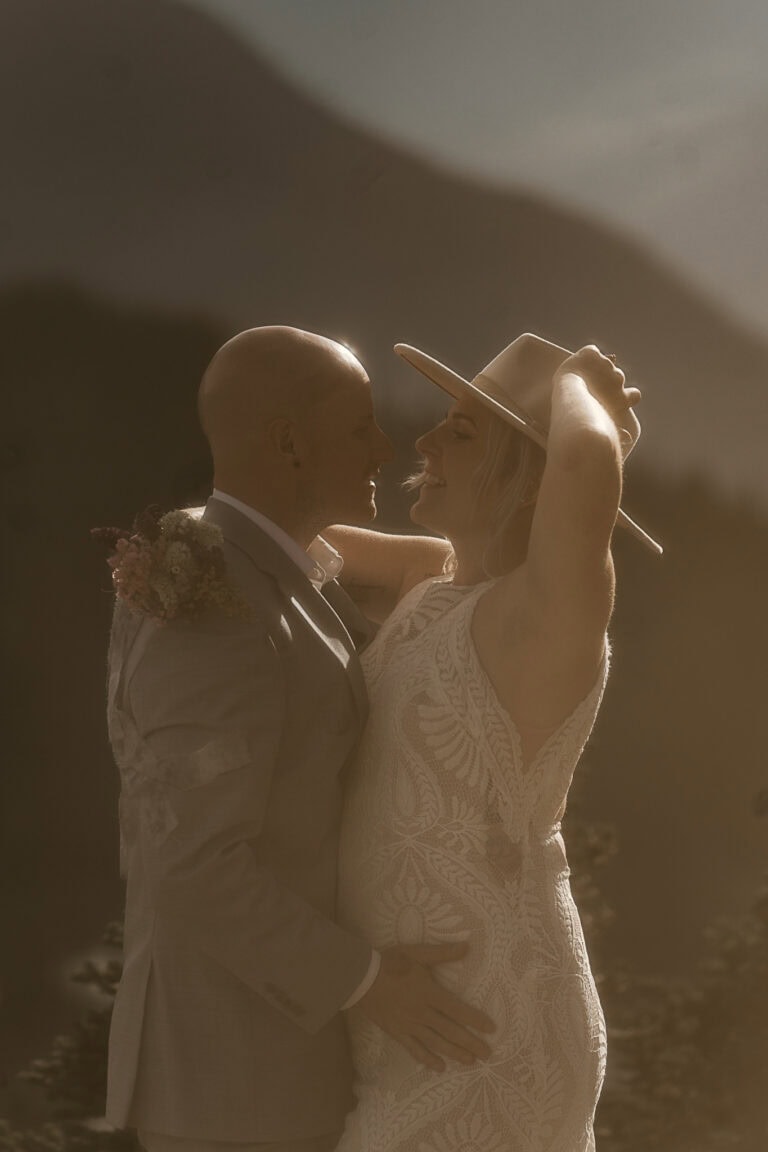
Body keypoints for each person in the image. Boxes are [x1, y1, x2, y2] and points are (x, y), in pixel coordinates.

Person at [102, 326, 494, 1152]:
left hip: (258, 1067)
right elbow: (194, 866)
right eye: (359, 427)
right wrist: (370, 982)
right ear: (287, 444)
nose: (384, 448)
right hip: (230, 1080)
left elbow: (435, 570)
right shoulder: (216, 611)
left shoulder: (248, 563)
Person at [326, 334, 662, 1152]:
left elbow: (586, 473)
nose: (424, 443)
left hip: (490, 1023)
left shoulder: (548, 611)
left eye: (462, 433)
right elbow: (284, 541)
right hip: (406, 1016)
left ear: (530, 479)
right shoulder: (429, 582)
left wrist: (581, 382)